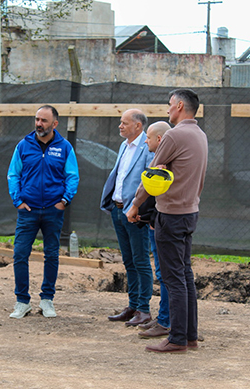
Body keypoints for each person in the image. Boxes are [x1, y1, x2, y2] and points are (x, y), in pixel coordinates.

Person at [127, 89, 208, 353]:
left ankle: (177, 339)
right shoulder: (200, 135)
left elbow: (152, 176)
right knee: (184, 275)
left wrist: (136, 204)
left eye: (170, 105)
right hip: (189, 212)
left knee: (173, 279)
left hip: (171, 215)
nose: (167, 109)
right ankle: (190, 336)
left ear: (181, 106)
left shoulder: (174, 135)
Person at [7, 105, 79, 319]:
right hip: (27, 211)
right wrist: (18, 201)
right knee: (20, 254)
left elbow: (72, 176)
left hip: (53, 211)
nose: (39, 124)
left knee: (51, 255)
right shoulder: (23, 145)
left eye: (44, 121)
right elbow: (13, 175)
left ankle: (47, 300)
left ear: (55, 124)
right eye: (37, 119)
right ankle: (22, 302)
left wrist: (65, 200)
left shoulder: (64, 147)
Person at [100, 109, 154, 327]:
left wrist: (137, 207)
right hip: (118, 210)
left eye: (124, 123)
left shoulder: (147, 148)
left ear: (138, 126)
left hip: (135, 212)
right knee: (129, 260)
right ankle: (133, 305)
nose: (120, 126)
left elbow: (148, 181)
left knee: (141, 261)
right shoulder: (124, 145)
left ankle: (144, 309)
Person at [135, 121, 172, 339]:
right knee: (164, 274)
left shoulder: (164, 162)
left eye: (148, 137)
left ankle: (167, 320)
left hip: (161, 223)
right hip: (154, 221)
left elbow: (151, 191)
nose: (145, 141)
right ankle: (164, 317)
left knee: (166, 274)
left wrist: (138, 209)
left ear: (159, 139)